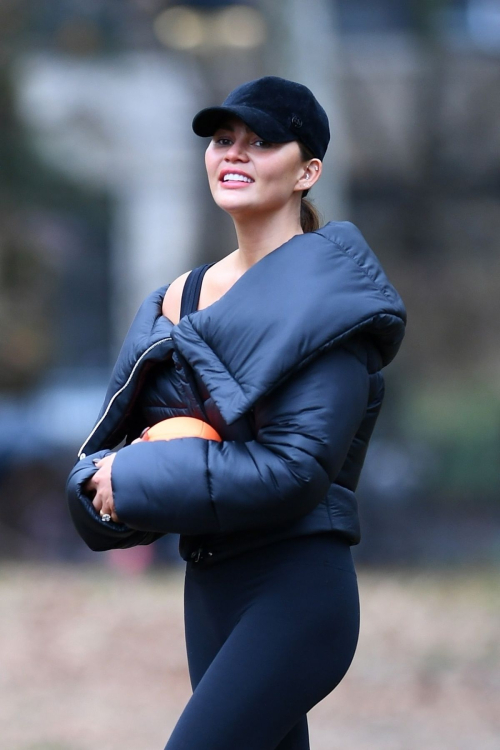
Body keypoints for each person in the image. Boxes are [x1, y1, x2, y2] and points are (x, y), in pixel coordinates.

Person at [66, 75, 406, 750]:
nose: (235, 154)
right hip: (210, 588)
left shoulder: (333, 301)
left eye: (262, 141)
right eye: (224, 139)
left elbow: (294, 469)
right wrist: (101, 489)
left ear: (309, 169)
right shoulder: (177, 299)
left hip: (297, 593)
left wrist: (134, 481)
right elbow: (106, 452)